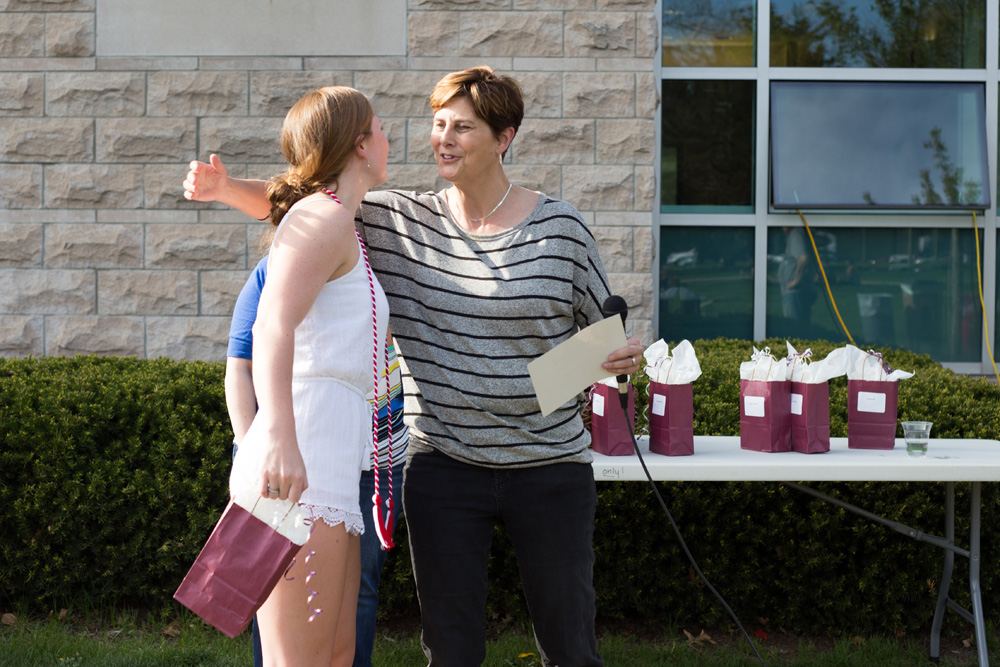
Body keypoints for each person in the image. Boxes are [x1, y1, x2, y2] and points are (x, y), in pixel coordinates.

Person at [183, 66, 643, 667]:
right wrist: (225, 189)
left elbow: (602, 329)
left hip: (548, 464)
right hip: (444, 467)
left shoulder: (562, 229)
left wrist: (614, 358)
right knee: (450, 650)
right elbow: (300, 206)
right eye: (439, 124)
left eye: (463, 127)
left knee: (571, 646)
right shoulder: (395, 219)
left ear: (504, 138)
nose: (442, 138)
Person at [226, 85, 391, 666]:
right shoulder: (321, 216)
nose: (388, 139)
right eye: (380, 128)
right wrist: (277, 436)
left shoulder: (341, 220)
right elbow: (272, 325)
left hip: (332, 460)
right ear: (359, 144)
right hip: (302, 457)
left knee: (336, 655)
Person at [225, 254, 408, 667]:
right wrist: (253, 450)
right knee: (280, 593)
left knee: (360, 589)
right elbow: (241, 365)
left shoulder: (379, 267)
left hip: (379, 458)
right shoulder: (282, 264)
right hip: (307, 458)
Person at [779, 226, 817, 321]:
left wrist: (796, 280)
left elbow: (803, 258)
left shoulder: (796, 233)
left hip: (795, 294)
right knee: (801, 327)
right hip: (797, 293)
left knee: (795, 327)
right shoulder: (798, 234)